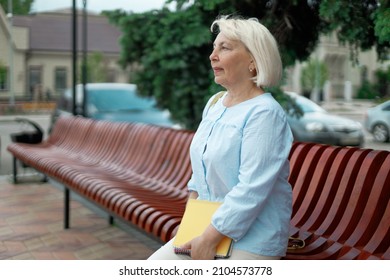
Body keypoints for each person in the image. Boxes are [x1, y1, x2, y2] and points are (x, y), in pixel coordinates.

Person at [148, 15, 293, 260]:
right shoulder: (215, 104)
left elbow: (251, 189)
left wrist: (209, 238)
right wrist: (191, 228)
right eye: (214, 47)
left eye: (224, 48)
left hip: (252, 239)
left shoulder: (265, 113)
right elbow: (198, 178)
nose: (212, 55)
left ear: (253, 61)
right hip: (207, 227)